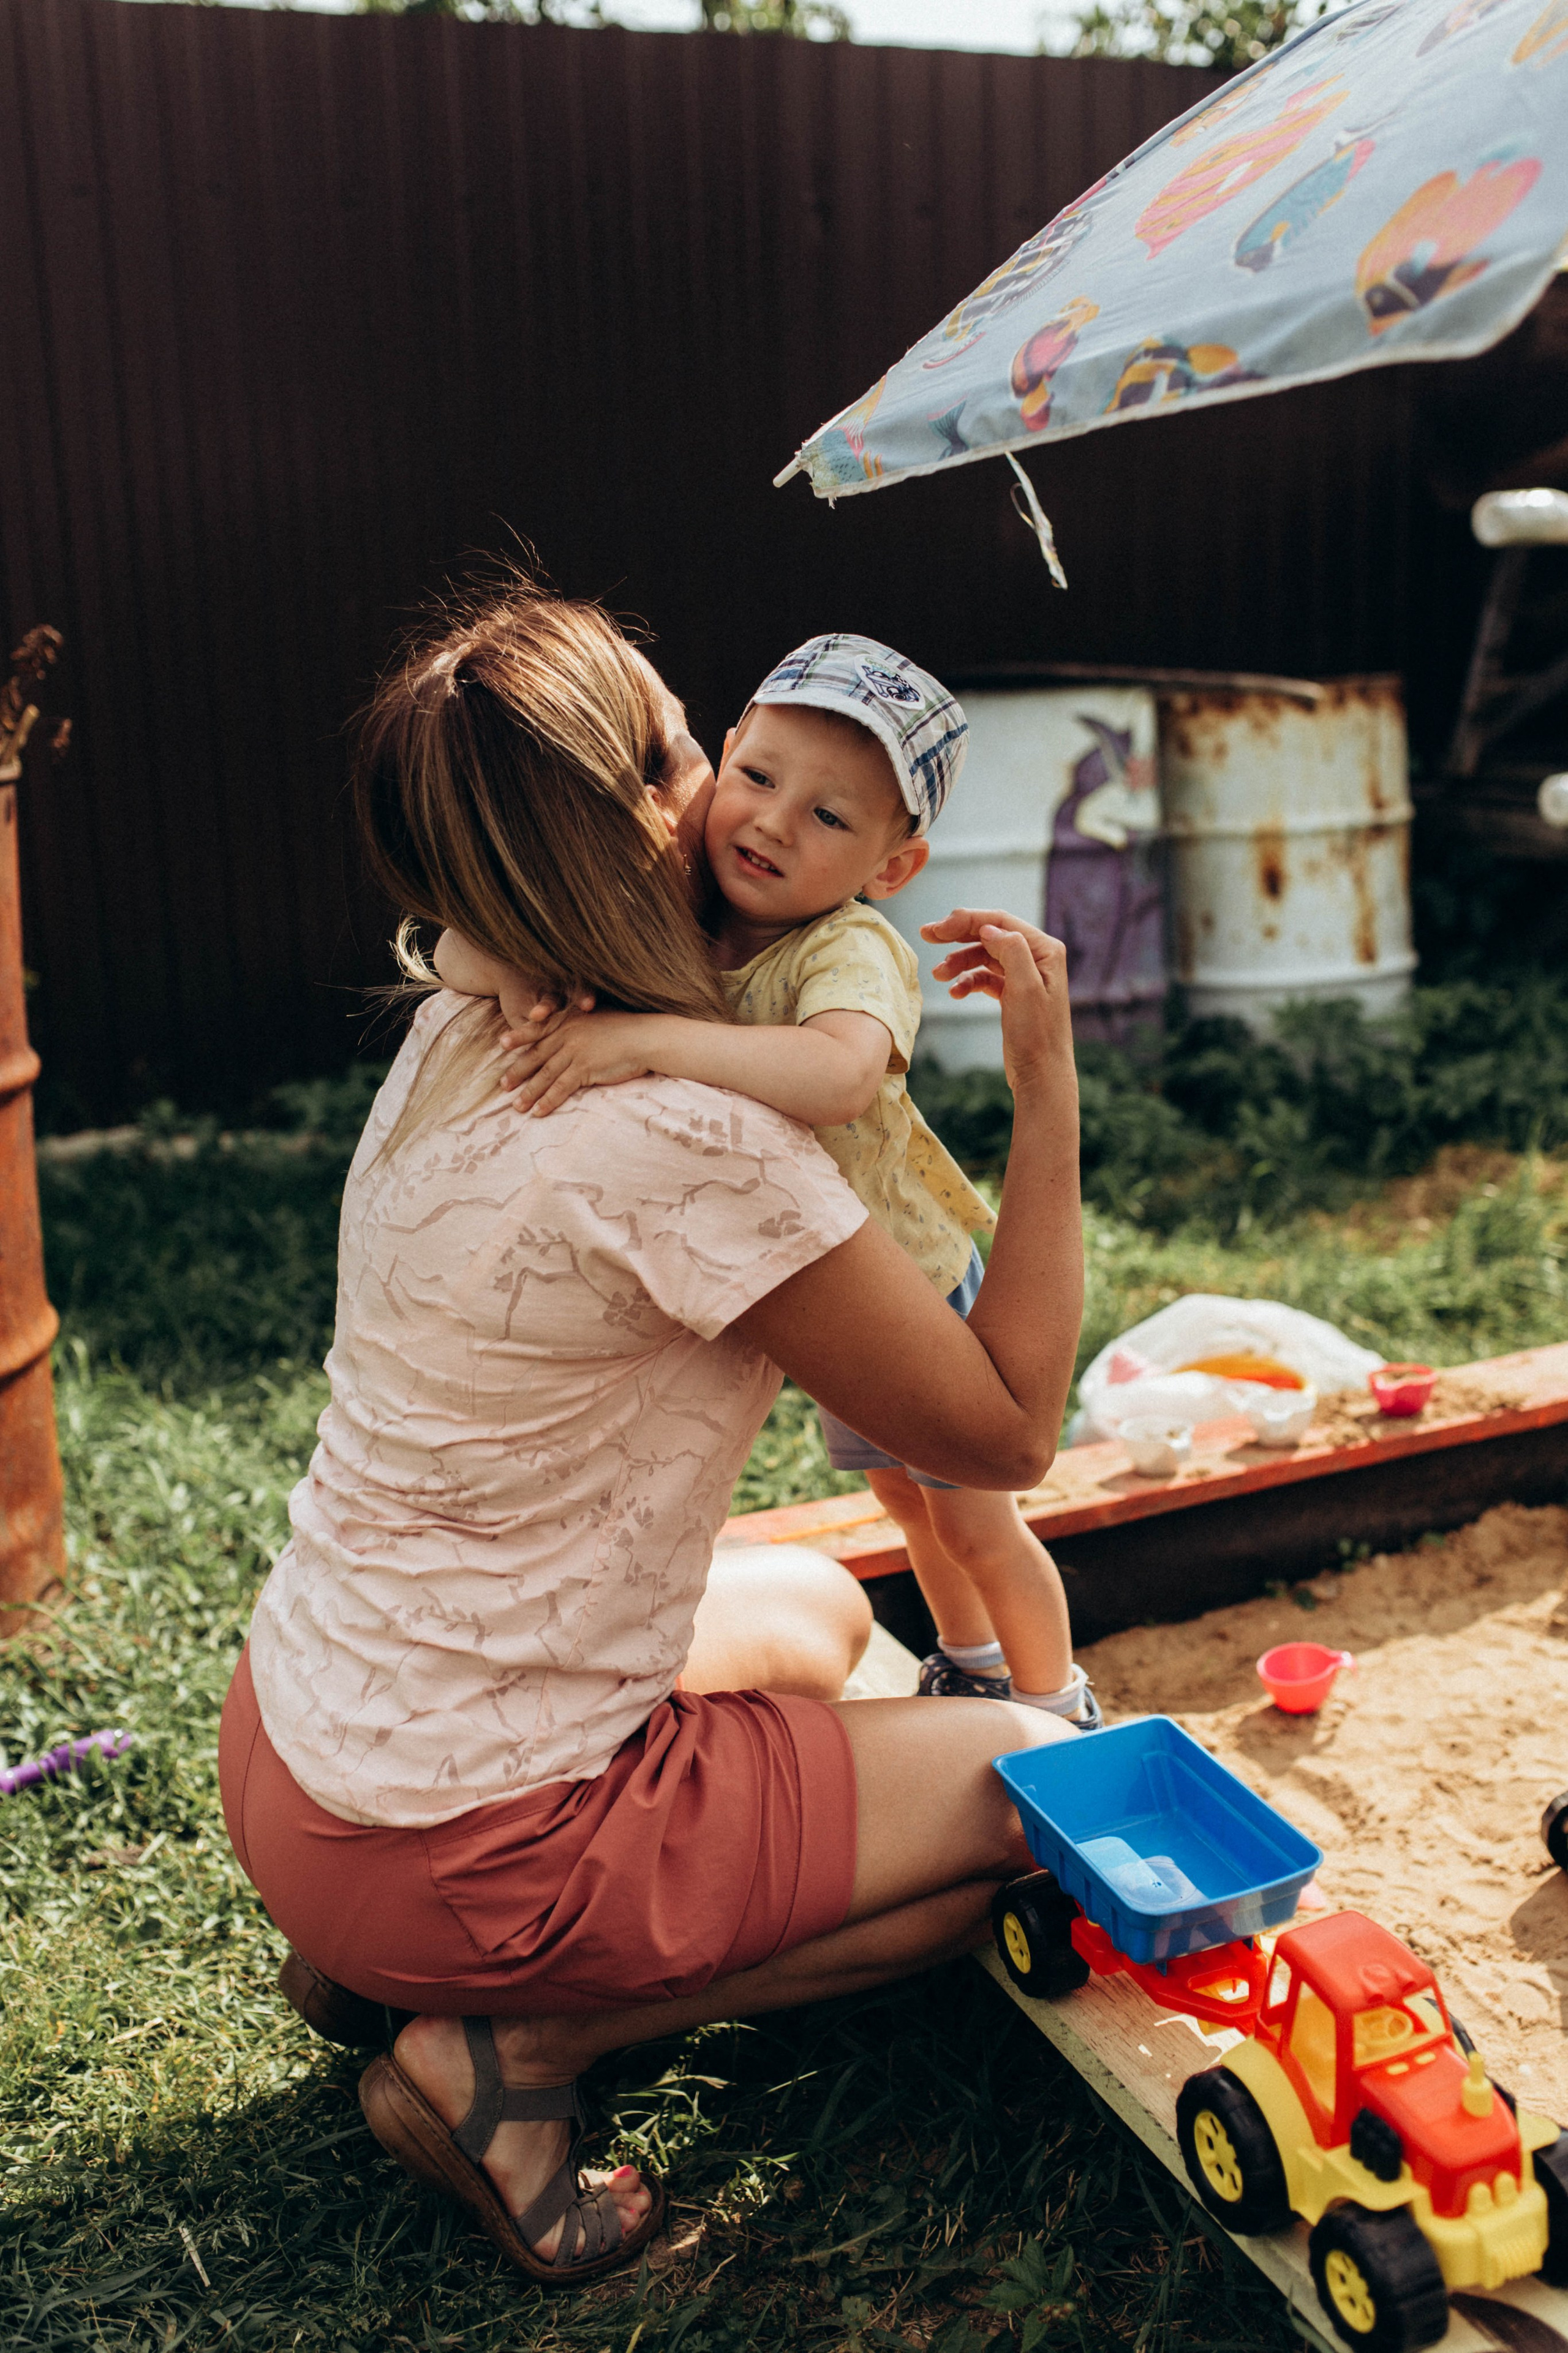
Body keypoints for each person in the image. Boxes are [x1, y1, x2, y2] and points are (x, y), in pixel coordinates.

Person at [217, 577, 1085, 2290]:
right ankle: (508, 2053)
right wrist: (1050, 1083)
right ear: (635, 812)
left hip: (299, 1751)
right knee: (1036, 1802)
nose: (739, 798)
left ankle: (388, 1963)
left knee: (832, 1618)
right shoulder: (688, 1138)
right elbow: (1008, 1428)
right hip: (466, 1839)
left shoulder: (480, 1008)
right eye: (702, 748)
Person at [446, 633, 1095, 1726]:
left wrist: (643, 1040)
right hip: (837, 1292)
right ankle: (971, 1660)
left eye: (831, 817)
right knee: (904, 1502)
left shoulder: (846, 950)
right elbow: (454, 945)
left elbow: (838, 1075)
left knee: (979, 1521)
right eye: (756, 777)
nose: (774, 823)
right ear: (725, 752)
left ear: (892, 870)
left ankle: (1055, 1701)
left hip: (918, 1290)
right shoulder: (692, 916)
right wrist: (517, 973)